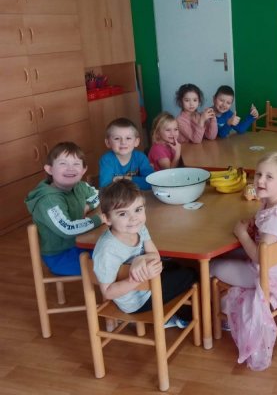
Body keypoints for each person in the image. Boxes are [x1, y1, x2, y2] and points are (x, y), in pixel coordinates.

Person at [210, 152, 277, 370]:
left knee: (213, 264)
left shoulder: (274, 218)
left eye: (269, 177)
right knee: (226, 255)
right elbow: (268, 238)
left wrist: (242, 234)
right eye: (259, 174)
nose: (260, 180)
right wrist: (253, 225)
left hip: (264, 272)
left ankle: (216, 317)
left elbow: (260, 257)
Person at [92, 179, 197, 327]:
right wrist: (135, 279)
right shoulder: (107, 251)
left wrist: (140, 259)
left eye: (138, 210)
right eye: (122, 214)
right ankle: (181, 318)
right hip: (137, 302)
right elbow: (108, 292)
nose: (133, 218)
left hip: (148, 283)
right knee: (191, 273)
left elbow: (155, 255)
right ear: (106, 219)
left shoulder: (137, 227)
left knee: (176, 265)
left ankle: (173, 311)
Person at [25, 142, 103, 276]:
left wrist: (88, 206)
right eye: (63, 164)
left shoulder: (79, 186)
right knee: (111, 261)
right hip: (60, 256)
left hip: (79, 245)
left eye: (76, 164)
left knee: (121, 251)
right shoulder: (48, 200)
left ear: (84, 170)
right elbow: (67, 229)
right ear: (49, 169)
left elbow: (98, 196)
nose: (70, 169)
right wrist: (99, 219)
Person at [99, 118, 153, 190]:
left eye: (128, 138)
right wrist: (136, 182)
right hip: (117, 196)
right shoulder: (106, 160)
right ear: (108, 143)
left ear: (136, 142)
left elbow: (151, 182)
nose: (123, 142)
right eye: (117, 138)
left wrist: (128, 179)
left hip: (139, 195)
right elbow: (105, 187)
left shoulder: (141, 158)